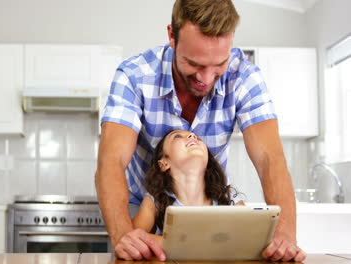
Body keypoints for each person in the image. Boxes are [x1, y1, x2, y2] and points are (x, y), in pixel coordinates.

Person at [95, 0, 304, 262]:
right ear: (172, 36)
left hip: (215, 219)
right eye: (194, 64)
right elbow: (111, 161)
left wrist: (284, 236)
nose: (206, 78)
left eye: (219, 64)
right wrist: (125, 238)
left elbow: (269, 159)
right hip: (140, 207)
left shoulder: (245, 78)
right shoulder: (134, 75)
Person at [132, 129, 245, 242]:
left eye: (197, 138)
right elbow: (134, 237)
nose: (192, 136)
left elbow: (247, 236)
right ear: (164, 163)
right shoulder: (155, 201)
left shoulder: (228, 197)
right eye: (177, 136)